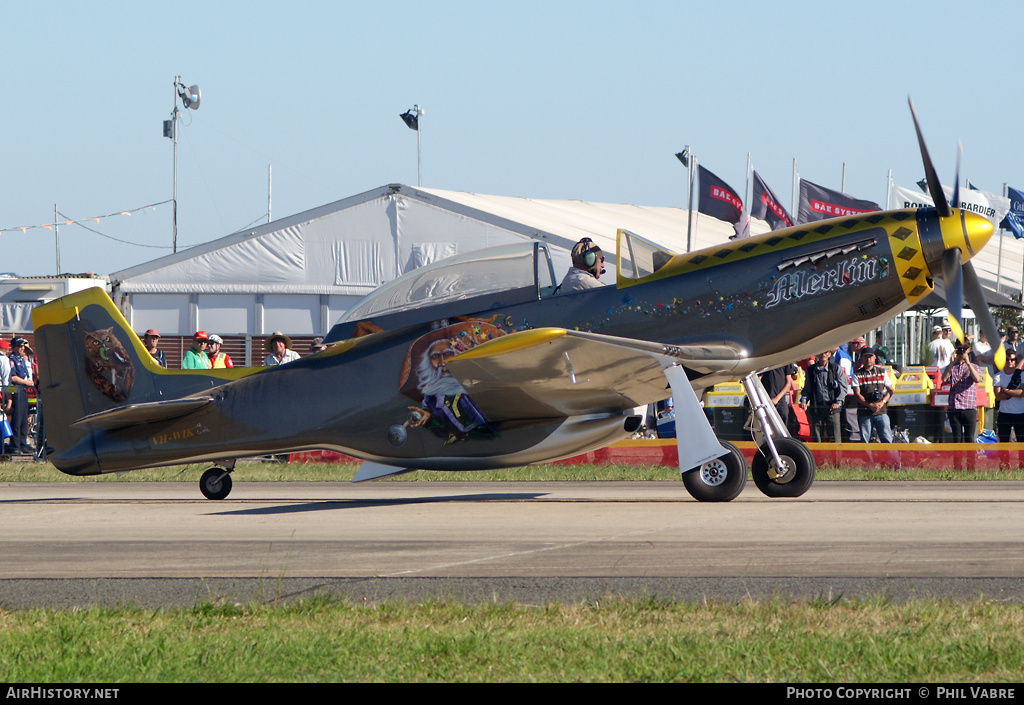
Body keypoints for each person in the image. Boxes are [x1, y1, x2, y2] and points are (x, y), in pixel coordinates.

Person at [800, 351, 846, 443]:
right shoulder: (811, 370)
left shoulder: (836, 368)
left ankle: (836, 457)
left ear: (829, 354)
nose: (823, 355)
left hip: (832, 408)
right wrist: (804, 400)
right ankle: (818, 457)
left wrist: (838, 402)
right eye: (821, 352)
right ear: (817, 354)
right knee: (817, 437)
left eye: (826, 352)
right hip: (817, 408)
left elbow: (843, 388)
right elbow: (807, 389)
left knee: (834, 438)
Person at [942, 341, 983, 443]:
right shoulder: (952, 367)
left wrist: (968, 363)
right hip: (954, 407)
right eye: (959, 349)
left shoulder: (974, 366)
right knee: (957, 438)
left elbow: (977, 379)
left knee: (970, 438)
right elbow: (944, 379)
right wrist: (951, 362)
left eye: (964, 349)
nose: (961, 352)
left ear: (968, 350)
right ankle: (957, 459)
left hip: (968, 407)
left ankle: (970, 459)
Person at [851, 347, 894, 443]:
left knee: (887, 438)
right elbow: (857, 394)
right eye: (865, 357)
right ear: (861, 359)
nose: (868, 359)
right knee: (865, 440)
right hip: (865, 412)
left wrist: (882, 402)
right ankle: (867, 458)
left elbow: (890, 389)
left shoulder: (882, 372)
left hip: (881, 410)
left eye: (870, 357)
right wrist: (869, 405)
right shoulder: (857, 374)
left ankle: (889, 458)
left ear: (874, 357)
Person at [8, 338, 33, 455]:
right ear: (13, 347)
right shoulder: (11, 359)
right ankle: (15, 445)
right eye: (19, 346)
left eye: (23, 346)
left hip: (23, 390)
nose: (22, 348)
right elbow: (13, 377)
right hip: (16, 389)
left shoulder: (21, 360)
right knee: (17, 418)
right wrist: (26, 382)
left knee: (24, 418)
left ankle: (23, 444)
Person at [993, 350, 1024, 443]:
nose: (1010, 362)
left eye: (1012, 359)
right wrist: (1014, 392)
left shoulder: (1022, 375)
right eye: (1007, 359)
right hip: (1004, 413)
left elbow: (1022, 393)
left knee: (1021, 442)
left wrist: (1006, 390)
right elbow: (998, 396)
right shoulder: (998, 376)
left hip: (1020, 413)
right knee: (1003, 442)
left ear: (1016, 360)